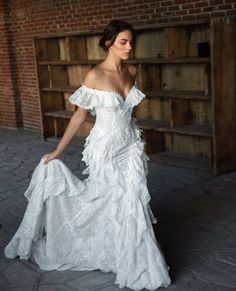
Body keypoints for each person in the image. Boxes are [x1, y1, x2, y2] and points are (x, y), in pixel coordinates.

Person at [4, 19, 171, 290]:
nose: (129, 47)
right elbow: (80, 115)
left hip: (129, 148)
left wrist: (136, 136)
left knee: (133, 199)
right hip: (104, 149)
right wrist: (58, 150)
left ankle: (132, 260)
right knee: (107, 199)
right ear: (109, 43)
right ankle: (106, 248)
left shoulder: (132, 70)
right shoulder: (94, 75)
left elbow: (128, 112)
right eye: (123, 42)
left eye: (131, 42)